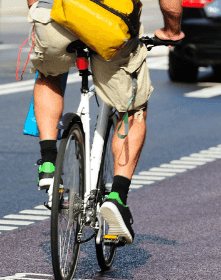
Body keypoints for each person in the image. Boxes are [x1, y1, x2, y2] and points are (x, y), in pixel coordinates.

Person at [29, 0, 183, 244]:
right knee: (133, 108)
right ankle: (117, 198)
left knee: (49, 73)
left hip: (56, 16)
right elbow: (170, 4)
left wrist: (38, 7)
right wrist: (171, 31)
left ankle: (48, 162)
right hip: (109, 22)